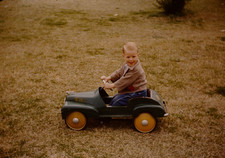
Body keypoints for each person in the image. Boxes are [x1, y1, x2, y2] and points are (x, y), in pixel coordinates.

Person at [101, 42, 148, 106]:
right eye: (128, 57)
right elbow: (119, 72)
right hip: (131, 90)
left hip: (138, 92)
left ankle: (112, 113)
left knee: (117, 102)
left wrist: (111, 86)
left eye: (133, 56)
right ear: (123, 56)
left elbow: (124, 81)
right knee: (115, 98)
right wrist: (109, 77)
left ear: (138, 55)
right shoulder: (126, 64)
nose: (131, 59)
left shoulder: (136, 70)